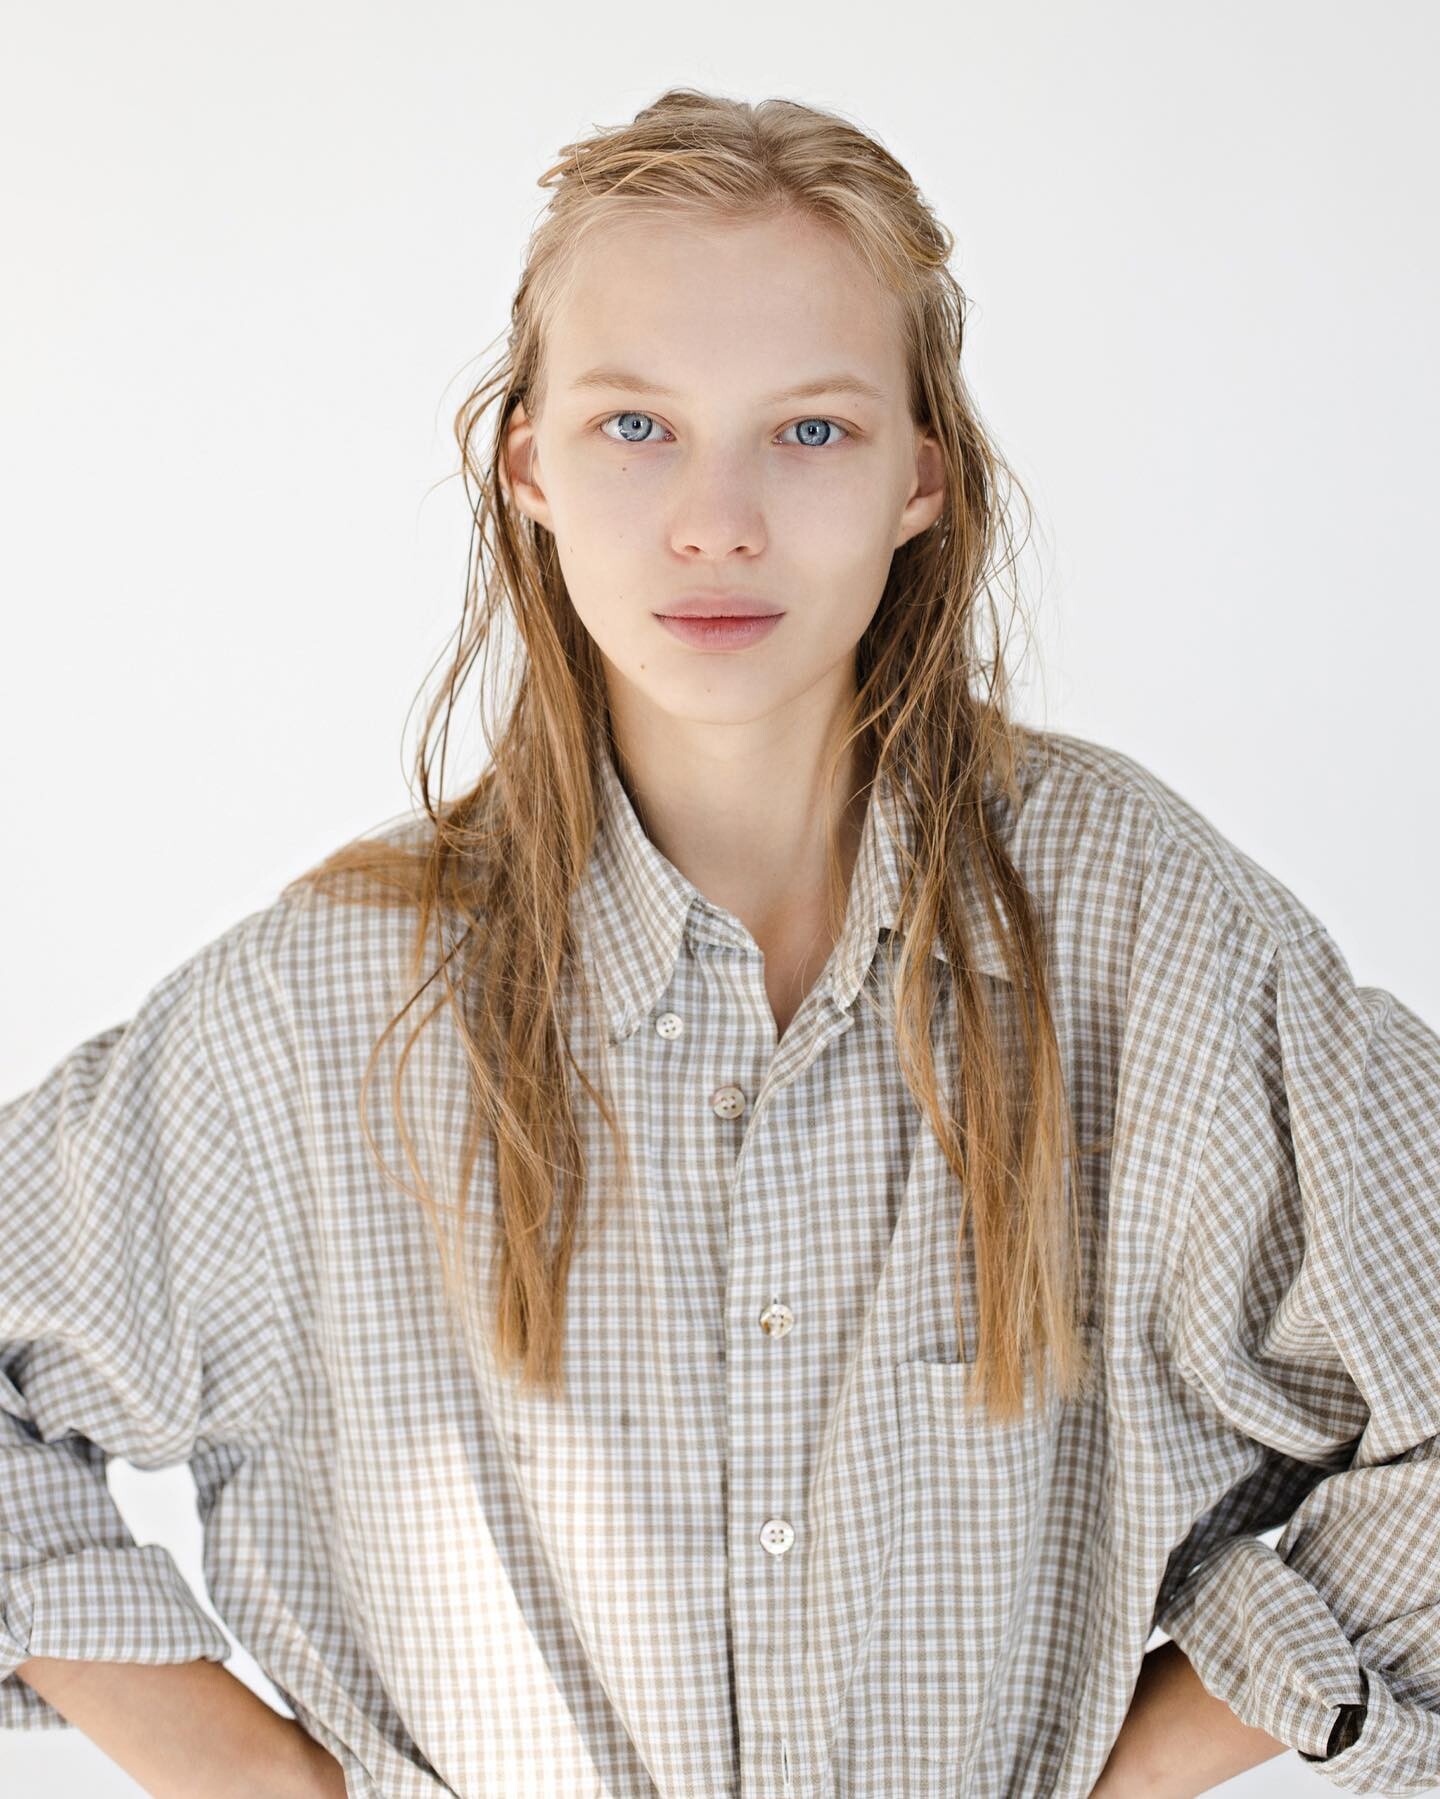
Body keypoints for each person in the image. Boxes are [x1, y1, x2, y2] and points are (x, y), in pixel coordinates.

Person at [2, 86, 1435, 1799]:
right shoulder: (327, 1006)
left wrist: (1141, 1771)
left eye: (811, 430)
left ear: (921, 474)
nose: (719, 520)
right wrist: (260, 1785)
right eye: (637, 424)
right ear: (527, 462)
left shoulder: (1142, 925)